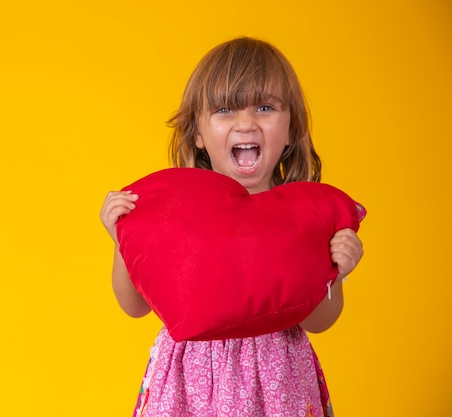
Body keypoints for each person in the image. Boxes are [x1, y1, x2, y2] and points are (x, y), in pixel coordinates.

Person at [99, 37, 364, 417]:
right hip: (187, 383)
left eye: (265, 107)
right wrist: (122, 242)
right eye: (225, 109)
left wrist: (337, 270)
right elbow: (134, 306)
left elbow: (319, 321)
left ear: (291, 130)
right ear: (198, 135)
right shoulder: (176, 213)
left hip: (278, 384)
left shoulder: (307, 219)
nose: (246, 123)